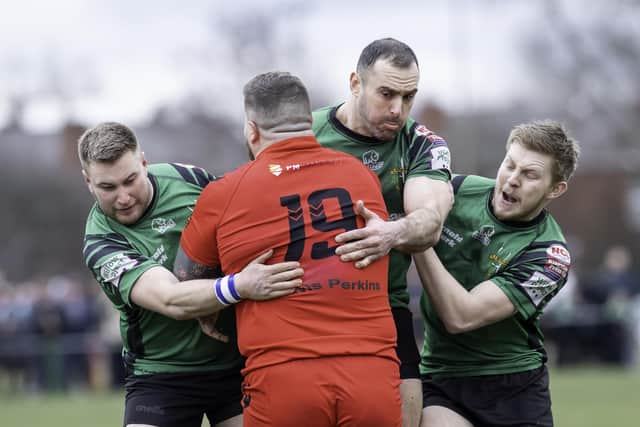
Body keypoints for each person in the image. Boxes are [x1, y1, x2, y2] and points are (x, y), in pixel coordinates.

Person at [176, 71, 401, 427]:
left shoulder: (225, 192)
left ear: (252, 130)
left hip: (283, 376)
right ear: (308, 123)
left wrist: (224, 296)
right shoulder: (362, 176)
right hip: (372, 371)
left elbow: (186, 278)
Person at [79, 122, 304, 427]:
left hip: (235, 365)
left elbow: (246, 224)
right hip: (162, 375)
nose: (123, 197)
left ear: (144, 163)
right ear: (88, 182)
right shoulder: (101, 243)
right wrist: (238, 286)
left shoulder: (188, 178)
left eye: (130, 180)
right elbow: (172, 300)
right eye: (108, 187)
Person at [312, 37, 453, 426]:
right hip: (308, 309)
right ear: (355, 83)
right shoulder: (304, 137)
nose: (398, 109)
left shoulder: (422, 144)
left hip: (383, 307)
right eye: (387, 93)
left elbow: (430, 218)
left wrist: (391, 233)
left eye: (409, 97)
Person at [413, 120, 580, 426]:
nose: (512, 180)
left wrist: (419, 238)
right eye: (510, 165)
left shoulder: (549, 256)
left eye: (530, 174)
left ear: (555, 189)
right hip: (443, 377)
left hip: (514, 389)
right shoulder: (457, 191)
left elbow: (461, 316)